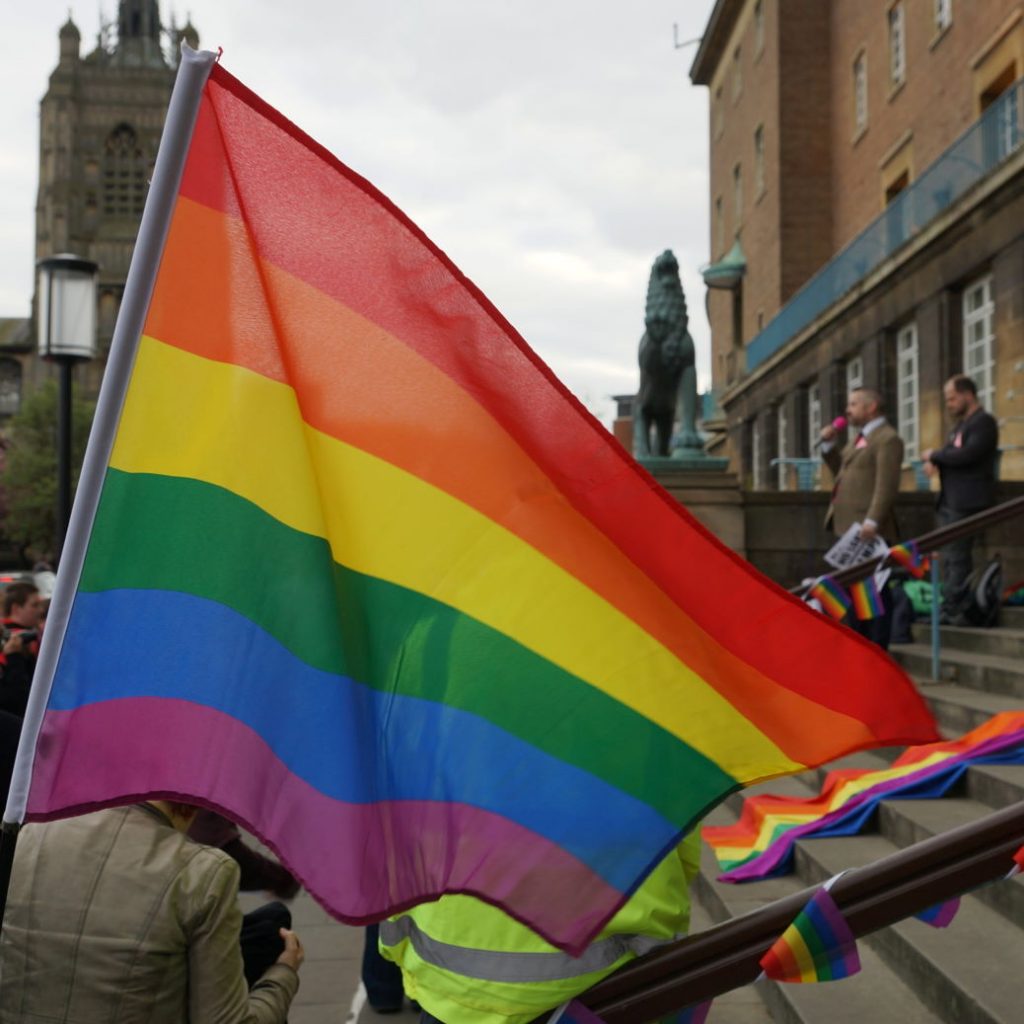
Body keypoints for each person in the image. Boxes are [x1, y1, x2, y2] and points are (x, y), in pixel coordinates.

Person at [0, 800, 303, 1023]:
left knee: (265, 925)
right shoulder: (204, 870)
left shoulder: (29, 836)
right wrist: (283, 974)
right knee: (272, 935)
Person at [379, 832, 701, 1024]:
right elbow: (683, 853)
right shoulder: (646, 727)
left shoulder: (440, 723)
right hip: (609, 986)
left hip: (457, 996)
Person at [820, 386, 904, 649]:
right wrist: (829, 445)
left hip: (867, 529)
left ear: (871, 407)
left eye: (854, 404)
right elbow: (842, 471)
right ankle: (861, 642)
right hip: (849, 528)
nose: (848, 409)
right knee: (856, 591)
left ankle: (877, 645)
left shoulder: (887, 438)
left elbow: (886, 484)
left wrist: (873, 520)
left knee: (875, 591)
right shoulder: (861, 438)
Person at [922, 374, 999, 624]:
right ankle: (949, 605)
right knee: (949, 555)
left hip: (968, 500)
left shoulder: (983, 423)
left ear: (968, 394)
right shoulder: (959, 426)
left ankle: (953, 608)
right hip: (950, 499)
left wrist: (936, 455)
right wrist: (938, 457)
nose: (949, 404)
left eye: (953, 398)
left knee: (958, 556)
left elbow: (969, 454)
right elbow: (950, 452)